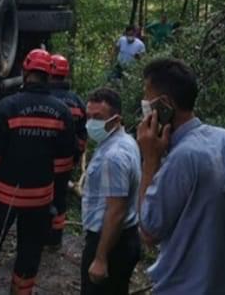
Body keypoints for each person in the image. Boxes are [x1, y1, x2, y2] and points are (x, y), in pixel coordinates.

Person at [136, 59, 225, 295]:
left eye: (147, 96)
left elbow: (148, 232)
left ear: (164, 104)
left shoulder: (182, 157)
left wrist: (150, 161)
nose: (144, 104)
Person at [0, 49, 76, 294]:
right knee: (30, 250)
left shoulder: (7, 106)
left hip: (4, 196)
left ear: (25, 72)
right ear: (49, 76)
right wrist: (56, 197)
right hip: (40, 199)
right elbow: (64, 163)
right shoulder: (62, 112)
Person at [80, 87, 141, 295]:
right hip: (122, 238)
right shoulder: (125, 141)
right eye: (89, 116)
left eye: (98, 117)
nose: (91, 123)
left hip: (111, 243)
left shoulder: (113, 156)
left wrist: (100, 258)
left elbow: (116, 211)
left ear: (116, 120)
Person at [45, 54, 87, 248]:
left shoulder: (43, 98)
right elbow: (82, 137)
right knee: (59, 200)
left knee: (38, 200)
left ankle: (37, 238)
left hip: (40, 164)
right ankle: (55, 240)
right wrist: (75, 158)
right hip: (64, 165)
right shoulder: (77, 101)